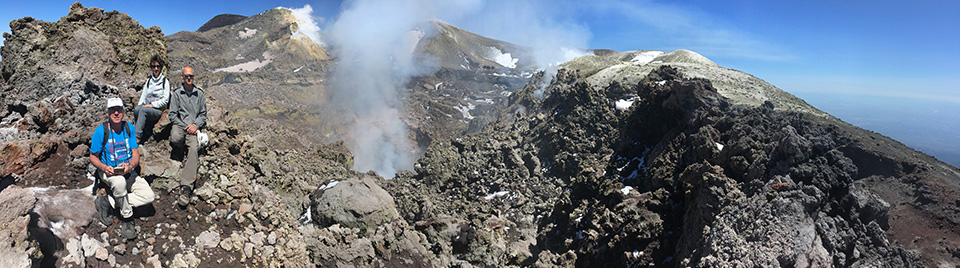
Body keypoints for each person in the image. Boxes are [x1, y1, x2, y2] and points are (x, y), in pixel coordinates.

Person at [90, 97, 156, 240]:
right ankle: (127, 218)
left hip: (128, 171)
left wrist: (130, 166)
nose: (116, 113)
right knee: (119, 183)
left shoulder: (128, 128)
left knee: (149, 196)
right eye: (112, 110)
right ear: (107, 113)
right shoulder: (101, 131)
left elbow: (135, 154)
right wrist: (103, 167)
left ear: (123, 111)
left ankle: (108, 201)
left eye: (119, 109)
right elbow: (93, 157)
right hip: (109, 172)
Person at [169, 66, 207, 207]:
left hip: (193, 129)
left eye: (191, 76)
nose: (189, 78)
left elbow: (203, 114)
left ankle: (186, 187)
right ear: (182, 77)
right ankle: (179, 150)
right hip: (181, 125)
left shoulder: (199, 94)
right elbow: (172, 115)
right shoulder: (177, 94)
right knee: (175, 137)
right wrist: (185, 126)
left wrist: (195, 125)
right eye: (186, 76)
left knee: (194, 149)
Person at [133, 54, 170, 143]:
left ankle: (137, 137)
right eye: (154, 66)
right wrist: (140, 106)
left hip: (158, 110)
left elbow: (165, 100)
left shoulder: (165, 82)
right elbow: (144, 95)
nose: (156, 69)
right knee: (137, 109)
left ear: (161, 67)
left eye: (158, 66)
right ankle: (143, 130)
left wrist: (151, 105)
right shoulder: (149, 81)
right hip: (148, 107)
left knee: (143, 111)